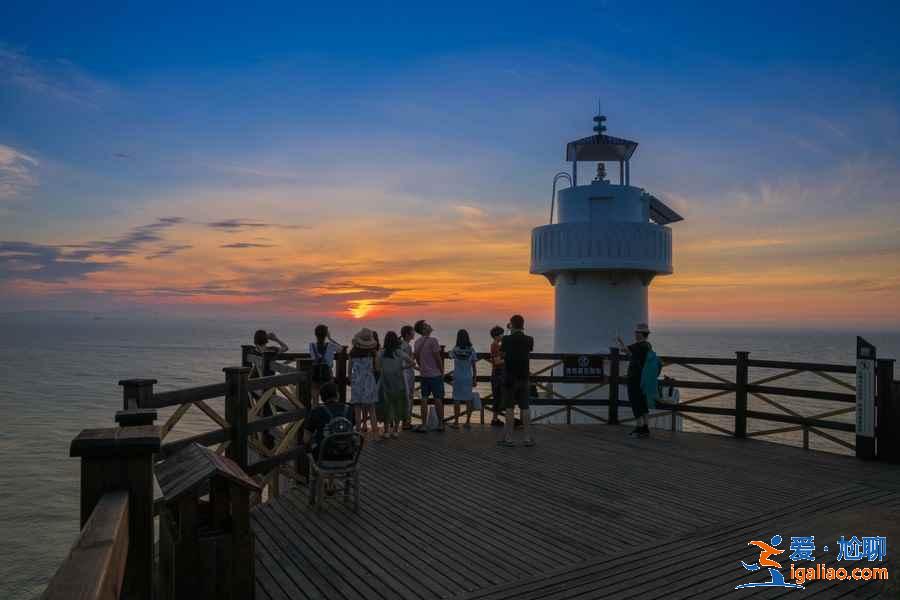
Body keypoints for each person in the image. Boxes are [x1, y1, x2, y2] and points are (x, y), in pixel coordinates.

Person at [301, 382, 357, 495]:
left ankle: (326, 480)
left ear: (321, 397)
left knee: (321, 444)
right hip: (348, 456)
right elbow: (351, 432)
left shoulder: (316, 412)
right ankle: (330, 482)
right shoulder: (349, 409)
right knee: (336, 442)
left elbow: (305, 439)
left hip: (324, 457)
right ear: (337, 394)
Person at [498, 314, 534, 447]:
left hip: (509, 377)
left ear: (511, 324)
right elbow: (528, 350)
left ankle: (509, 438)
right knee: (525, 408)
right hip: (524, 377)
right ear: (523, 325)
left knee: (509, 408)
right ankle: (527, 437)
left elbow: (502, 353)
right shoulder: (529, 339)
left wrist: (509, 331)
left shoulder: (506, 339)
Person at [617, 322, 653, 437]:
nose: (635, 334)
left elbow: (625, 351)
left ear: (642, 334)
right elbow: (631, 354)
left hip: (635, 378)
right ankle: (646, 427)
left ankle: (639, 427)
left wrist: (620, 341)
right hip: (644, 377)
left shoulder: (638, 346)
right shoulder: (648, 345)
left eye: (637, 332)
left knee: (635, 401)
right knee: (642, 401)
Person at [413, 319, 445, 433]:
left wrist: (423, 367)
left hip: (424, 374)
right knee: (438, 398)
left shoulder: (417, 343)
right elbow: (438, 358)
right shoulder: (433, 341)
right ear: (423, 329)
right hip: (435, 374)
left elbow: (417, 359)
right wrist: (442, 371)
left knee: (424, 398)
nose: (429, 325)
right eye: (427, 325)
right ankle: (441, 424)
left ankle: (423, 424)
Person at [349, 328, 379, 440]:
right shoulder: (373, 353)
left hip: (357, 381)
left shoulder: (352, 353)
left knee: (357, 409)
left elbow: (349, 371)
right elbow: (377, 368)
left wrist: (352, 381)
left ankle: (358, 434)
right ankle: (375, 434)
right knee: (372, 410)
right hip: (369, 381)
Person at [377, 331, 407, 439]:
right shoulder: (399, 352)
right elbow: (412, 362)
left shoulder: (381, 353)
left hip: (385, 382)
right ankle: (395, 430)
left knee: (386, 406)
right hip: (399, 382)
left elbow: (377, 367)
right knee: (397, 405)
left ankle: (386, 431)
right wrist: (402, 368)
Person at [449, 329, 478, 429]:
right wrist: (475, 378)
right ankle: (468, 422)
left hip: (457, 377)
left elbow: (450, 355)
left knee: (456, 399)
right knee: (468, 399)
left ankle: (456, 422)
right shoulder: (471, 350)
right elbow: (474, 366)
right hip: (467, 377)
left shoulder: (455, 349)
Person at [309, 324, 341, 404]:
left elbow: (313, 358)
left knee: (315, 399)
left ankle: (315, 413)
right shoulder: (331, 346)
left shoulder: (311, 346)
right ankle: (328, 413)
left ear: (315, 334)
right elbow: (341, 349)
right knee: (330, 397)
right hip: (327, 374)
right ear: (326, 334)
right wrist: (330, 338)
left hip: (315, 374)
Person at [399, 325, 416, 430]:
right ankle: (407, 422)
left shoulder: (400, 345)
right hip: (407, 373)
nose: (414, 334)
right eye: (412, 332)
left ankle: (404, 421)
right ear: (407, 334)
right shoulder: (407, 346)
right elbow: (409, 361)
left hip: (402, 373)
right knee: (409, 397)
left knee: (404, 397)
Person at [488, 325, 505, 427]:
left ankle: (495, 419)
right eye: (501, 334)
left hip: (498, 374)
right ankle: (495, 419)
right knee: (499, 397)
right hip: (498, 374)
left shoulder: (497, 345)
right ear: (497, 335)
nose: (503, 336)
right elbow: (497, 361)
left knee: (499, 397)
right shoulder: (495, 346)